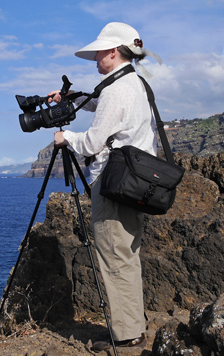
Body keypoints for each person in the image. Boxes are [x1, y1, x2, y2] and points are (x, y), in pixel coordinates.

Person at [49, 22, 161, 351]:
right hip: (136, 183)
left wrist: (65, 137)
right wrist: (76, 99)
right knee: (127, 254)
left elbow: (92, 142)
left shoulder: (116, 89)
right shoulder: (134, 83)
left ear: (113, 52)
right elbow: (105, 107)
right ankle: (134, 326)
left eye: (100, 51)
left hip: (113, 183)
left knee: (114, 256)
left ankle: (128, 337)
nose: (96, 57)